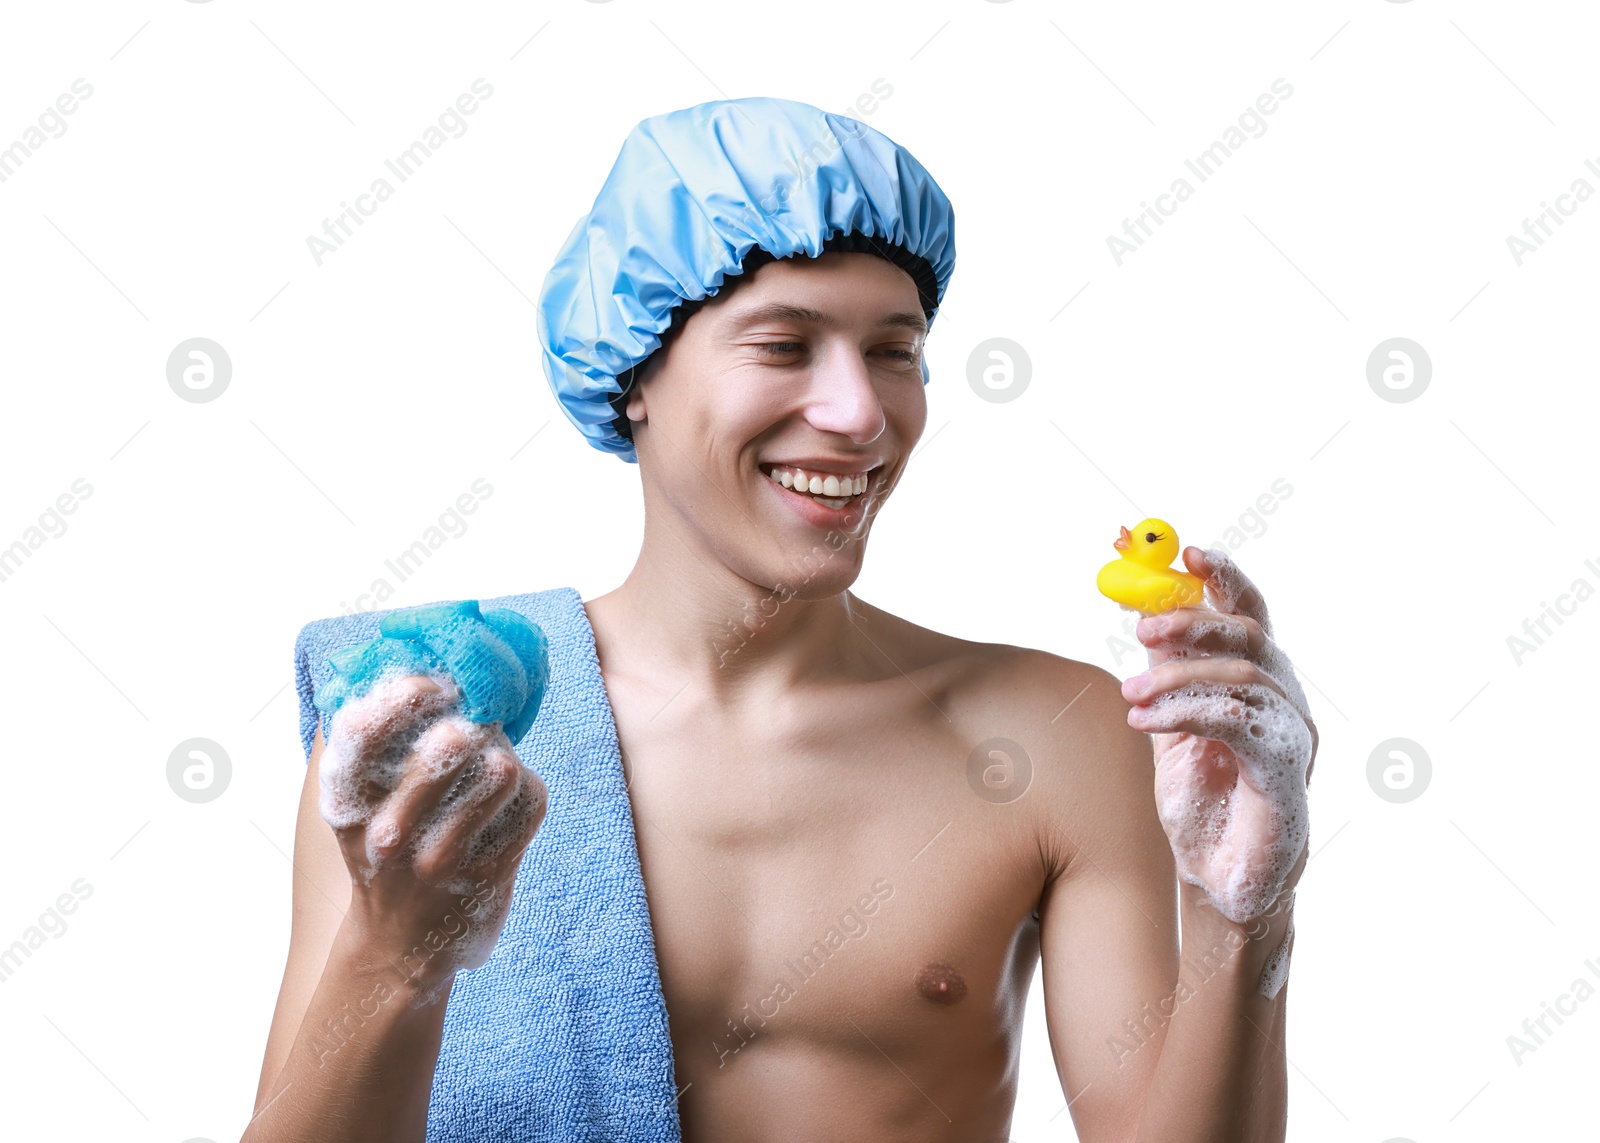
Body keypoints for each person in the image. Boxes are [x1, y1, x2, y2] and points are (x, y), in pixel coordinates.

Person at [248, 97, 1317, 1143]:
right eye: (783, 344)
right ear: (635, 376)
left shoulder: (1059, 733)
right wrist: (395, 958)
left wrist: (1241, 922)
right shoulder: (440, 736)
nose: (860, 414)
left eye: (894, 350)